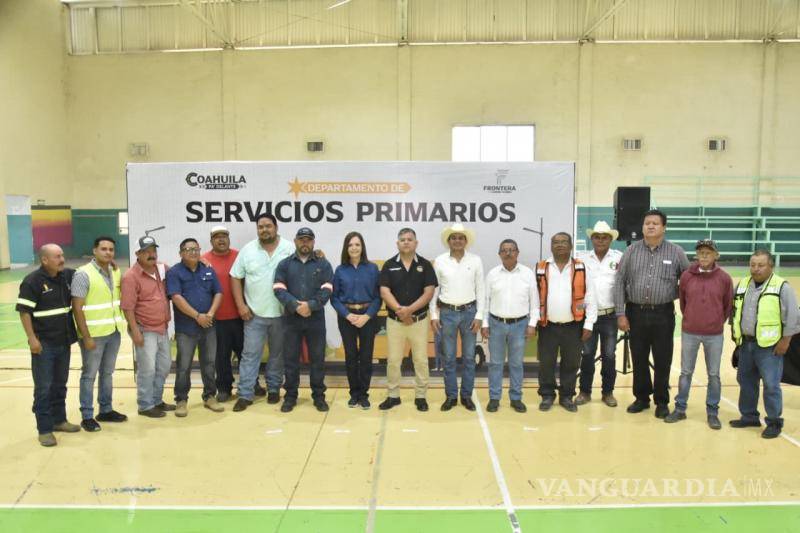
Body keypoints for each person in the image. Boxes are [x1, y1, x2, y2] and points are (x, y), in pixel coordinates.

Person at [615, 209, 689, 418]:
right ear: (642, 227)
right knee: (638, 358)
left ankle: (662, 401)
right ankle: (641, 398)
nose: (650, 226)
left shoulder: (676, 252)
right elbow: (619, 281)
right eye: (647, 223)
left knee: (662, 359)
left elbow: (688, 281)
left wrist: (671, 295)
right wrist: (621, 313)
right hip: (635, 313)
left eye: (655, 223)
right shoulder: (631, 251)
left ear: (663, 227)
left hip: (663, 314)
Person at [729, 249, 800, 439]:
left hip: (770, 347)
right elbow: (735, 312)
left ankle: (774, 421)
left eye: (761, 265)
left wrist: (786, 341)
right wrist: (737, 340)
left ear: (771, 266)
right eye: (752, 265)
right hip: (746, 345)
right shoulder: (743, 284)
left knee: (771, 385)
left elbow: (793, 318)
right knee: (746, 382)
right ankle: (749, 416)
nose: (756, 269)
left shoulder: (781, 287)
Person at [16, 244, 81, 446]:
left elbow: (88, 271)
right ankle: (44, 429)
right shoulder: (32, 281)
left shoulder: (66, 276)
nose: (62, 259)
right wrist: (32, 339)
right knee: (43, 388)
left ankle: (59, 420)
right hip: (44, 344)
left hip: (64, 341)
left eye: (62, 255)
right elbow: (24, 311)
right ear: (44, 260)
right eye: (57, 256)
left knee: (60, 384)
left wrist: (109, 264)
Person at [229, 214, 295, 412]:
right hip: (254, 315)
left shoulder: (290, 248)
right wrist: (241, 305)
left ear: (276, 227)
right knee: (250, 355)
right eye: (260, 227)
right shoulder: (248, 250)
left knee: (277, 355)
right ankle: (245, 394)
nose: (264, 230)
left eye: (268, 226)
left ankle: (274, 389)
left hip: (282, 314)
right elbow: (235, 277)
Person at [665, 239, 733, 429]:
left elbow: (728, 305)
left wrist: (716, 321)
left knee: (714, 374)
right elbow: (683, 304)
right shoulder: (687, 276)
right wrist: (692, 319)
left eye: (708, 252)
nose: (704, 256)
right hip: (690, 332)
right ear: (696, 255)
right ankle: (680, 409)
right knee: (686, 372)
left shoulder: (724, 278)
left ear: (715, 256)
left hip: (714, 334)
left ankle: (712, 412)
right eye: (701, 252)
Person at [273, 227, 334, 412]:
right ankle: (290, 396)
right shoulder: (284, 264)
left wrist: (311, 305)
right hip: (291, 319)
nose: (305, 243)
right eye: (301, 239)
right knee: (291, 360)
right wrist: (296, 306)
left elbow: (328, 288)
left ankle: (319, 397)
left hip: (315, 319)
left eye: (308, 239)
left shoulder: (323, 264)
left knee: (317, 359)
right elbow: (278, 288)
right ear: (295, 241)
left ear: (313, 242)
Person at [71, 236, 128, 432]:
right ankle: (87, 415)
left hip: (113, 332)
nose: (108, 252)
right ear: (94, 251)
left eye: (111, 249)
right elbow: (77, 308)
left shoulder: (114, 272)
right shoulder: (83, 274)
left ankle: (105, 410)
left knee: (107, 373)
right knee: (89, 375)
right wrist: (85, 337)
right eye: (103, 249)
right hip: (93, 335)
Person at [535, 233, 596, 412]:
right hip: (548, 326)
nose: (560, 245)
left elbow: (590, 298)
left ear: (570, 246)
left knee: (571, 363)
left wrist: (589, 323)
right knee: (546, 362)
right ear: (551, 246)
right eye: (556, 242)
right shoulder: (541, 267)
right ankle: (547, 395)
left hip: (573, 326)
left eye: (563, 242)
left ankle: (567, 396)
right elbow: (534, 297)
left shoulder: (581, 267)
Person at [379, 228, 437, 412]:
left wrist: (410, 311)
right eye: (402, 239)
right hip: (395, 321)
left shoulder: (426, 265)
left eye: (409, 239)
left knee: (420, 360)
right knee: (394, 361)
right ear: (397, 243)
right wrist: (399, 310)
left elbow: (429, 292)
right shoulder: (389, 265)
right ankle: (393, 396)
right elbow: (384, 291)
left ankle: (421, 396)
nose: (406, 242)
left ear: (416, 243)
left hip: (418, 321)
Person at [166, 238, 224, 417]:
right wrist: (198, 316)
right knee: (184, 366)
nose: (193, 252)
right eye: (188, 249)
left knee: (209, 364)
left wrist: (210, 314)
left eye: (196, 249)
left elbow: (218, 292)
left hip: (209, 326)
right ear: (181, 253)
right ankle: (181, 400)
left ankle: (209, 397)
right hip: (186, 329)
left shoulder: (207, 269)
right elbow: (176, 297)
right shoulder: (174, 272)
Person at [430, 223, 485, 412]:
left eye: (461, 238)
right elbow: (434, 290)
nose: (457, 241)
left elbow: (481, 289)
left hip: (470, 313)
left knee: (469, 358)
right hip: (447, 314)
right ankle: (451, 396)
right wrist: (434, 315)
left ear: (466, 241)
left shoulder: (476, 260)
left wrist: (479, 316)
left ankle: (467, 396)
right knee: (449, 358)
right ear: (448, 241)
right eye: (454, 238)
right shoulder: (439, 261)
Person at [120, 235, 175, 418]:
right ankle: (145, 405)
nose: (151, 255)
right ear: (138, 253)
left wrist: (202, 261)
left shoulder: (162, 269)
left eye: (153, 250)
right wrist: (135, 331)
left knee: (164, 366)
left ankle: (157, 400)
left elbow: (183, 271)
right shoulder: (130, 276)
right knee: (147, 369)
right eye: (146, 252)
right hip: (144, 329)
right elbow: (127, 307)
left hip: (162, 328)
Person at [483, 239, 538, 413]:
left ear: (517, 253)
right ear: (499, 254)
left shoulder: (528, 274)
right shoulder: (492, 274)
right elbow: (485, 301)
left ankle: (516, 398)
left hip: (520, 324)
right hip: (496, 323)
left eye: (511, 250)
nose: (508, 253)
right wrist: (484, 323)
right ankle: (494, 398)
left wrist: (532, 324)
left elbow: (534, 303)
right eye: (504, 250)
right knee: (495, 364)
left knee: (516, 364)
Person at [331, 232, 381, 409]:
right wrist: (347, 314)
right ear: (346, 248)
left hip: (368, 317)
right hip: (347, 318)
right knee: (351, 356)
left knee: (366, 356)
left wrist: (367, 316)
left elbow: (378, 297)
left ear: (362, 247)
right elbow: (334, 298)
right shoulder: (340, 270)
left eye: (357, 244)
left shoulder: (373, 269)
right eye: (350, 245)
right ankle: (354, 394)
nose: (354, 248)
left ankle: (364, 394)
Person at [577, 221, 623, 408]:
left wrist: (622, 313)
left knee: (609, 355)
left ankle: (608, 392)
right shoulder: (581, 258)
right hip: (588, 317)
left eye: (605, 237)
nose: (601, 240)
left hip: (610, 316)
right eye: (597, 236)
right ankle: (585, 391)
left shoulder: (620, 258)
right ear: (591, 238)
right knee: (587, 355)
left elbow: (623, 287)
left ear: (611, 239)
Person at [201, 226, 242, 403]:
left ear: (229, 238)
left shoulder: (240, 256)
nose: (221, 240)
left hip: (241, 315)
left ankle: (251, 384)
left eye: (224, 236)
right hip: (217, 318)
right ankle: (224, 388)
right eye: (217, 237)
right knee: (221, 356)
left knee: (246, 354)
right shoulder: (203, 260)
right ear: (211, 241)